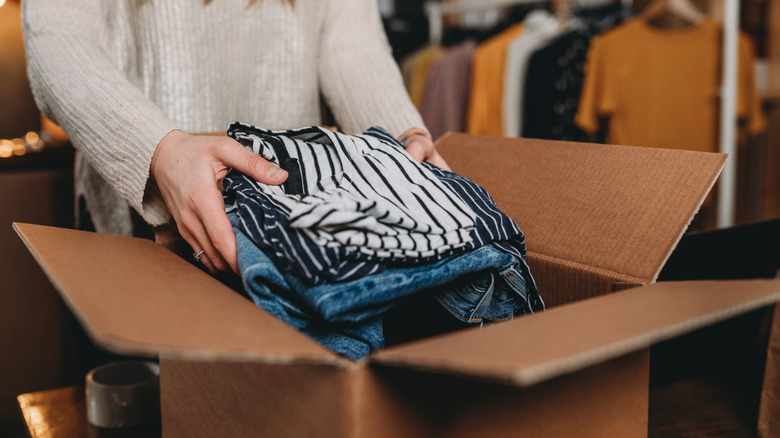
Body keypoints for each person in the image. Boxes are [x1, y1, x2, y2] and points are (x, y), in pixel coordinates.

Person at [23, 0, 447, 275]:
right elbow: (59, 37)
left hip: (290, 223)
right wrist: (159, 150)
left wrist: (398, 140)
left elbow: (351, 49)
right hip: (133, 232)